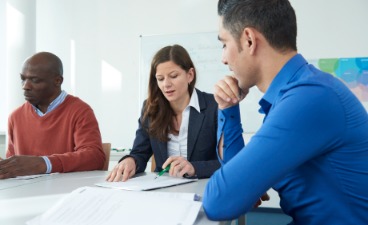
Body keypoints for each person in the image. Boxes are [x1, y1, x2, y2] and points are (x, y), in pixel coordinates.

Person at [203, 0, 368, 224]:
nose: (223, 58)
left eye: (224, 44)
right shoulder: (292, 95)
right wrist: (228, 107)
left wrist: (241, 187)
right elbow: (234, 188)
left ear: (249, 40)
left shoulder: (310, 98)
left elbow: (220, 201)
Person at [107, 44, 220, 182]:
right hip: (162, 188)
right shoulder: (150, 109)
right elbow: (140, 153)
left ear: (190, 75)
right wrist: (131, 160)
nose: (166, 84)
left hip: (205, 187)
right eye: (160, 79)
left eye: (173, 76)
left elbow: (230, 162)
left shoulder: (214, 106)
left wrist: (195, 168)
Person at [0, 52, 105, 179]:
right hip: (26, 193)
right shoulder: (15, 116)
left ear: (57, 81)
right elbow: (14, 165)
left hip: (64, 193)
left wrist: (44, 164)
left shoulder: (80, 110)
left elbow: (94, 157)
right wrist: (5, 167)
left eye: (35, 80)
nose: (25, 86)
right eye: (23, 79)